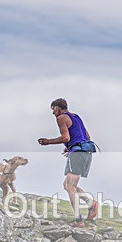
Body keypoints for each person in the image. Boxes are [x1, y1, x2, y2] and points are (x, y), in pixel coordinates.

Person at [38, 98, 98, 228]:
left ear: (57, 108)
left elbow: (65, 137)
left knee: (70, 187)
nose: (53, 113)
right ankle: (91, 204)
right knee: (67, 185)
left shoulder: (61, 118)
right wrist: (70, 146)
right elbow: (87, 137)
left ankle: (78, 220)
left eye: (53, 109)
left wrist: (48, 141)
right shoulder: (75, 116)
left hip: (77, 154)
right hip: (86, 152)